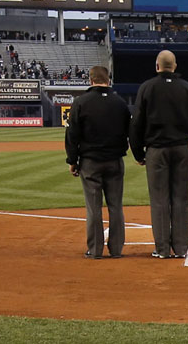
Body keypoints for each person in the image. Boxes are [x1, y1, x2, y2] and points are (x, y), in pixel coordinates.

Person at [129, 50, 188, 259]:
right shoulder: (186, 87)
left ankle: (162, 249)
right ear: (175, 66)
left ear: (157, 66)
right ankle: (181, 248)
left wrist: (138, 153)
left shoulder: (147, 88)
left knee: (159, 200)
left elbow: (135, 123)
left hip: (156, 150)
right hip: (182, 148)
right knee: (182, 198)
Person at [65, 66, 132, 259]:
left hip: (90, 162)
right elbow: (130, 132)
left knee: (94, 207)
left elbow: (72, 135)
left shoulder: (80, 102)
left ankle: (95, 250)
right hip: (115, 161)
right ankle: (117, 249)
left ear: (91, 80)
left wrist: (72, 160)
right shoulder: (120, 103)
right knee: (116, 206)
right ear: (108, 80)